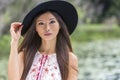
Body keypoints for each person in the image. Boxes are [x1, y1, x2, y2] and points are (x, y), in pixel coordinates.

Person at [8, 1, 78, 80]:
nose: (47, 28)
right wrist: (14, 42)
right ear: (36, 29)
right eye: (41, 23)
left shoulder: (70, 59)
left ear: (60, 25)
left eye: (52, 22)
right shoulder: (25, 55)